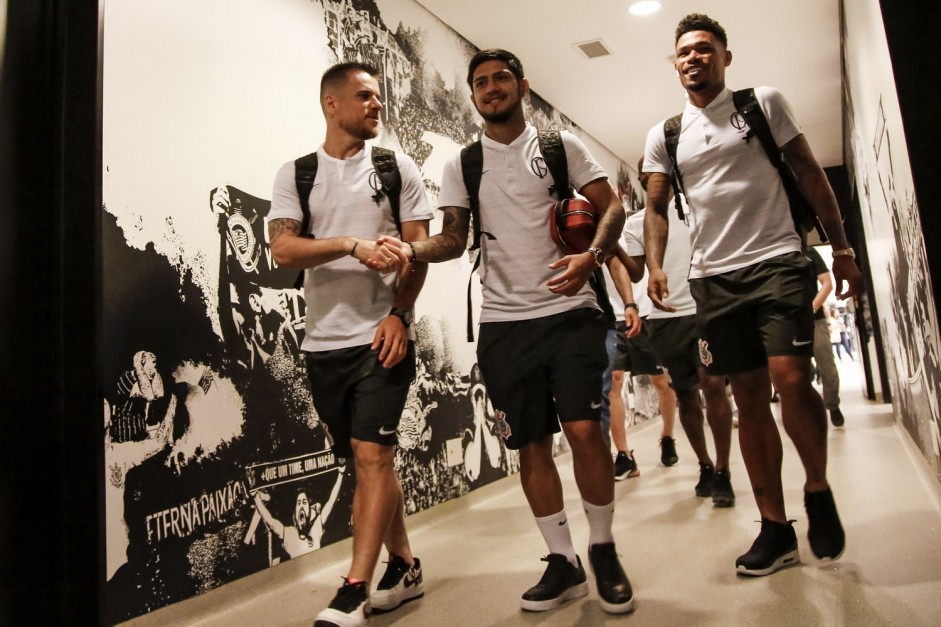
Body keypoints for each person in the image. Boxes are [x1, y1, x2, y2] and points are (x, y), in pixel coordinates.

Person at [378, 48, 634, 614]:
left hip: (572, 315)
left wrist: (592, 258)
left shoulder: (559, 147)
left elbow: (611, 208)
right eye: (481, 82)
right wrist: (408, 247)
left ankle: (603, 547)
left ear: (522, 85)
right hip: (504, 326)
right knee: (531, 445)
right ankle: (563, 561)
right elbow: (452, 239)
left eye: (501, 79)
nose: (491, 88)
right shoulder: (463, 164)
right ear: (472, 95)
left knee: (586, 431)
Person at [643, 14, 862, 577]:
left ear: (725, 57)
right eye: (684, 52)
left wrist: (842, 250)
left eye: (704, 49)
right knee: (746, 397)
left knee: (791, 379)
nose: (694, 58)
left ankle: (815, 488)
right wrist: (653, 266)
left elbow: (811, 173)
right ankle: (775, 527)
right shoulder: (666, 134)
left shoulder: (761, 104)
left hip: (779, 261)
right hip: (714, 279)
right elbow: (657, 206)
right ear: (675, 65)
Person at [267, 61, 432, 626]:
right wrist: (352, 245)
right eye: (364, 96)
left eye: (379, 98)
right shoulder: (298, 173)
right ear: (330, 104)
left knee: (372, 455)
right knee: (368, 465)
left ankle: (353, 589)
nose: (376, 106)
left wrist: (401, 315)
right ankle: (406, 566)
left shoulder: (394, 167)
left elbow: (418, 251)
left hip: (382, 337)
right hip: (322, 346)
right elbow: (283, 251)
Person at [626, 159, 736, 507]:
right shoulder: (634, 224)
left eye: (658, 170)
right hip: (664, 319)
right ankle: (704, 465)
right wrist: (607, 246)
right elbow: (633, 272)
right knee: (685, 394)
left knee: (714, 385)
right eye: (645, 171)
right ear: (641, 178)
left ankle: (723, 470)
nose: (651, 176)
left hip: (706, 309)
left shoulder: (699, 208)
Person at [600, 230, 643, 479]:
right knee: (613, 383)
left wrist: (631, 304)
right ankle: (622, 455)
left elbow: (634, 272)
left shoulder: (628, 229)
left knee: (662, 383)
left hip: (633, 312)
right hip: (604, 316)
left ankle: (666, 436)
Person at [251, 467, 346, 561]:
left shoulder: (316, 529)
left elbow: (330, 502)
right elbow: (270, 520)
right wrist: (255, 497)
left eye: (304, 502)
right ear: (295, 513)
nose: (301, 506)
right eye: (299, 503)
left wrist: (340, 474)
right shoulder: (289, 534)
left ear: (310, 509)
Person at [806, 247, 846, 427]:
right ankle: (806, 412)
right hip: (786, 322)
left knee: (828, 368)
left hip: (815, 320)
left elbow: (827, 283)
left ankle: (832, 404)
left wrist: (812, 308)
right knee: (796, 374)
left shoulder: (808, 252)